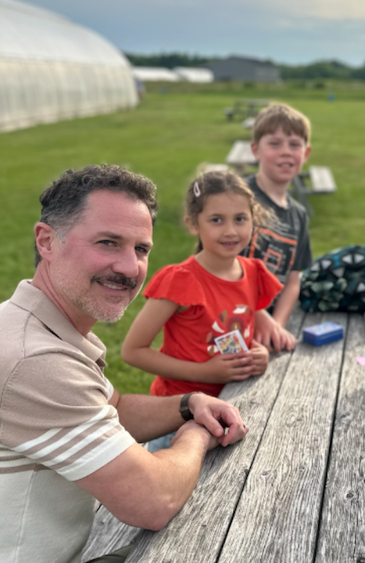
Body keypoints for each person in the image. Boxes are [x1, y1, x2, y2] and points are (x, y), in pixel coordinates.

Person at [0, 165, 248, 563]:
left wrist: (188, 404)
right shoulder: (34, 360)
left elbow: (112, 409)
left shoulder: (38, 326)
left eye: (141, 249)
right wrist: (197, 434)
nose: (131, 268)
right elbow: (153, 500)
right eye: (108, 242)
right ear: (47, 241)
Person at [121, 170, 282, 451]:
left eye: (240, 219)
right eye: (216, 220)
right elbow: (133, 351)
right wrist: (206, 373)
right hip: (178, 418)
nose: (231, 231)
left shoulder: (254, 273)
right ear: (194, 224)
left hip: (233, 407)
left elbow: (236, 328)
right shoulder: (180, 281)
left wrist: (259, 353)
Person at [244, 103, 313, 352]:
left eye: (294, 144)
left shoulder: (300, 215)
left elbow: (294, 280)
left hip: (266, 330)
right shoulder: (238, 198)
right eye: (274, 143)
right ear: (256, 150)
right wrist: (261, 318)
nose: (286, 152)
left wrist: (277, 326)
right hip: (224, 319)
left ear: (306, 153)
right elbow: (218, 266)